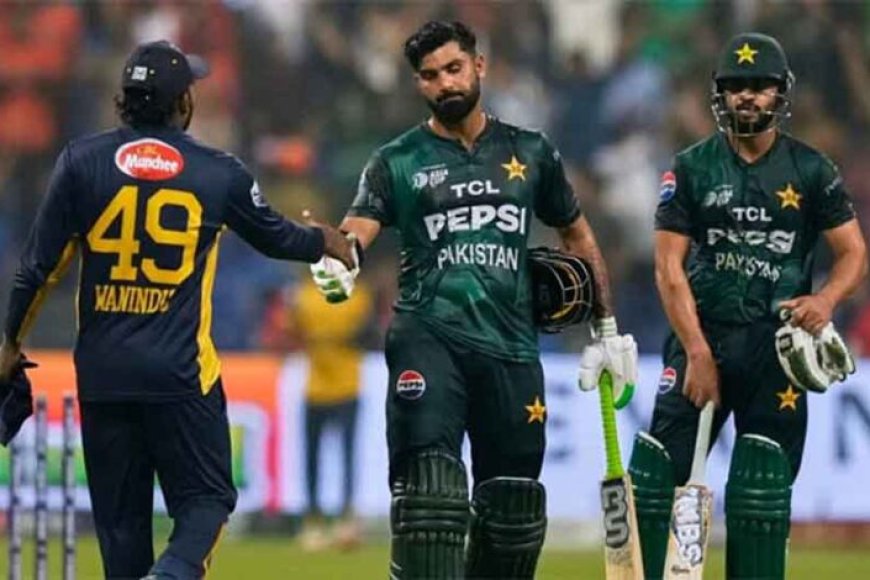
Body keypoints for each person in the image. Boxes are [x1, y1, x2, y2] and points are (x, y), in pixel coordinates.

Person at [0, 40, 355, 580]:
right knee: (208, 502)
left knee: (121, 529)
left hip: (103, 375)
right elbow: (276, 237)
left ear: (124, 100)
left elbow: (37, 270)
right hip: (181, 375)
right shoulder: (218, 172)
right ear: (183, 103)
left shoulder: (80, 162)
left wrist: (10, 344)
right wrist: (323, 240)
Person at [308, 20, 637, 579]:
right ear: (419, 84)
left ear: (479, 66)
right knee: (430, 500)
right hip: (427, 339)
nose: (445, 83)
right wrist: (338, 259)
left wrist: (605, 329)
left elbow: (577, 235)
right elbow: (356, 230)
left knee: (513, 513)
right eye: (431, 76)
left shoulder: (531, 151)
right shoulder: (396, 159)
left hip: (512, 348)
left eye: (454, 69)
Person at [628, 32, 867, 579]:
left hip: (774, 350)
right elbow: (668, 268)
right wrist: (697, 351)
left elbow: (854, 252)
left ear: (781, 92)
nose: (748, 97)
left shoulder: (810, 170)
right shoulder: (691, 167)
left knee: (761, 491)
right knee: (656, 480)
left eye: (760, 86)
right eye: (737, 86)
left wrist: (826, 298)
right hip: (700, 340)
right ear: (720, 94)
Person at [284, 276, 373, 551]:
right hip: (326, 387)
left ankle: (333, 520)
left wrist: (318, 337)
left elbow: (292, 332)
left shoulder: (305, 295)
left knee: (328, 456)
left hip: (341, 386)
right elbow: (367, 335)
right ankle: (324, 520)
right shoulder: (354, 295)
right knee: (329, 456)